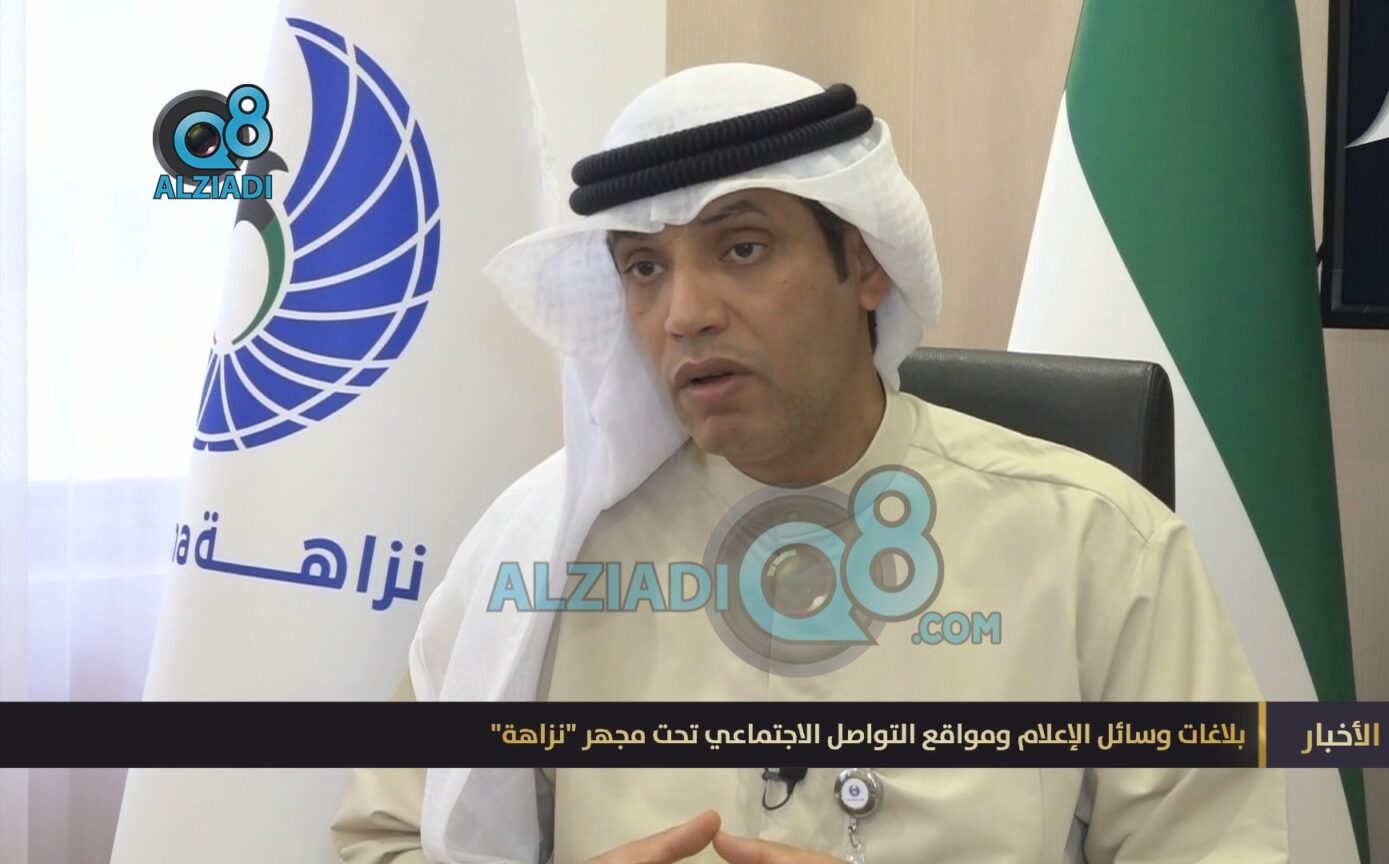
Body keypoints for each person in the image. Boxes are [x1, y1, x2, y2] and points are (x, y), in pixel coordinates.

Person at [331, 63, 1287, 864]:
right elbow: (385, 839)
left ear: (864, 265)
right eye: (644, 267)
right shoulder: (542, 551)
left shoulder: (1099, 547)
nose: (685, 315)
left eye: (742, 248)